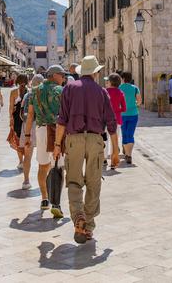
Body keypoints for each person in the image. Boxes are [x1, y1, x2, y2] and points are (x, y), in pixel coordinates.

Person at [53, 56, 119, 244]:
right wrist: (115, 150)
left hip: (73, 139)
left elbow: (62, 120)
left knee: (73, 180)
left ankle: (78, 217)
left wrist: (58, 145)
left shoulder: (69, 88)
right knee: (93, 182)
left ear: (82, 71)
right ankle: (88, 224)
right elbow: (111, 123)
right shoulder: (101, 92)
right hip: (95, 140)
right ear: (96, 72)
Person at [24, 65, 66, 218]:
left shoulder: (34, 91)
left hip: (41, 130)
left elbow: (30, 115)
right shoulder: (61, 91)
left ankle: (44, 198)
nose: (64, 78)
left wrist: (27, 136)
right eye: (62, 75)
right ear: (54, 75)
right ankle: (57, 203)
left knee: (43, 166)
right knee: (58, 166)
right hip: (57, 131)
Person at [19, 74, 43, 190]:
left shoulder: (27, 95)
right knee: (43, 155)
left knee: (27, 156)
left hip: (27, 126)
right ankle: (43, 181)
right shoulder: (44, 95)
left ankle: (26, 181)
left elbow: (21, 111)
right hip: (40, 126)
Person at [119, 71, 141, 164]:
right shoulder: (135, 88)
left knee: (124, 134)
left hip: (122, 114)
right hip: (133, 114)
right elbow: (139, 101)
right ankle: (129, 155)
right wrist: (134, 105)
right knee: (130, 134)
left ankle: (126, 153)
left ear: (123, 79)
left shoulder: (119, 88)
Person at [105, 73, 126, 168]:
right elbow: (124, 108)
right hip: (117, 119)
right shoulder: (120, 93)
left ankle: (104, 159)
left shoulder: (104, 92)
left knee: (105, 140)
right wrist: (117, 110)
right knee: (115, 141)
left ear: (110, 82)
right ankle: (114, 161)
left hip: (104, 119)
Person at [9, 74, 29, 171]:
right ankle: (26, 160)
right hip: (26, 119)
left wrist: (10, 118)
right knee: (25, 140)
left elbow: (11, 107)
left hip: (17, 119)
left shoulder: (13, 92)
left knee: (18, 140)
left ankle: (21, 162)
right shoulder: (29, 92)